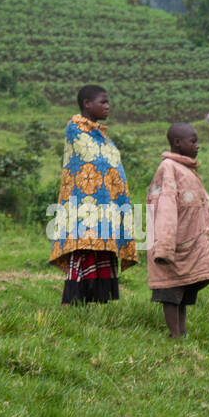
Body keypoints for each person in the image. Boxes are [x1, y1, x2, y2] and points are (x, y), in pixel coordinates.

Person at [48, 84, 137, 304]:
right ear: (87, 104)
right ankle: (75, 301)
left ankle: (96, 301)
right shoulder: (75, 129)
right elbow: (87, 163)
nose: (107, 107)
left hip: (105, 208)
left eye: (108, 102)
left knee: (102, 249)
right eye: (103, 102)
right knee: (84, 248)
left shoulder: (101, 136)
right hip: (83, 206)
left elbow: (110, 166)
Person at [145, 123, 209, 337]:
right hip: (170, 244)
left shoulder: (185, 169)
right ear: (177, 143)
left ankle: (181, 332)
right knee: (170, 291)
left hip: (185, 243)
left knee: (183, 288)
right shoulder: (168, 168)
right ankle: (175, 334)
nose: (197, 145)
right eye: (193, 141)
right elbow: (165, 208)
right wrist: (164, 247)